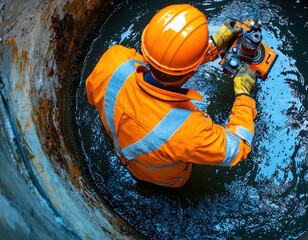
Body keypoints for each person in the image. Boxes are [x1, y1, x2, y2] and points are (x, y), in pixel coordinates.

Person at [85, 4, 257, 188]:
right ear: (192, 73)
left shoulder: (113, 59)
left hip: (123, 148)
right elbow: (238, 148)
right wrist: (243, 95)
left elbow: (92, 95)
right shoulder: (189, 131)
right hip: (165, 180)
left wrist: (212, 45)